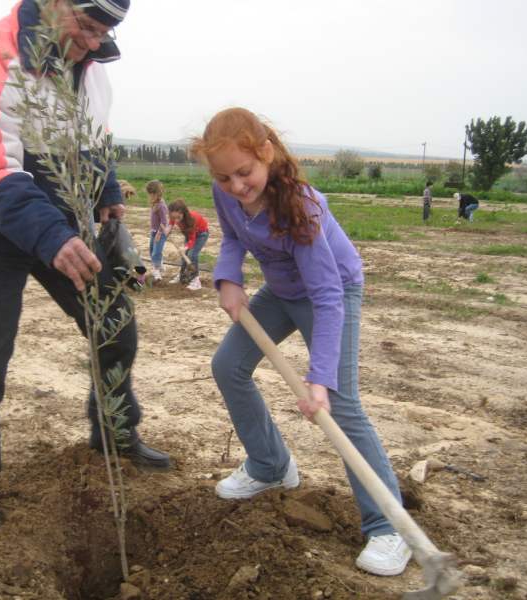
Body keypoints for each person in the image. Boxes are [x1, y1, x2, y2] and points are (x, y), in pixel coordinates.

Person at [0, 0, 171, 534]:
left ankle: (113, 432)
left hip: (63, 225)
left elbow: (96, 140)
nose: (94, 42)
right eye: (87, 26)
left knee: (115, 326)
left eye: (106, 31)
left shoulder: (90, 72)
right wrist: (51, 235)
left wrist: (107, 190)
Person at [190, 107, 412, 577]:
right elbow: (232, 236)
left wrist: (319, 380)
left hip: (330, 292)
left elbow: (328, 296)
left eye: (244, 173)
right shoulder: (227, 190)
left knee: (342, 403)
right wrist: (228, 277)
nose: (235, 186)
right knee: (227, 365)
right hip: (281, 291)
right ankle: (270, 465)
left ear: (266, 152)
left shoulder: (301, 207)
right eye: (224, 177)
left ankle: (390, 527)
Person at [167, 199, 209, 290]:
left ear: (183, 213)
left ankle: (196, 280)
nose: (176, 220)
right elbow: (171, 222)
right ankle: (182, 276)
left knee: (192, 255)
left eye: (178, 218)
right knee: (184, 256)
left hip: (201, 234)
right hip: (189, 234)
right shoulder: (174, 216)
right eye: (174, 217)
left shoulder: (192, 219)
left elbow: (192, 240)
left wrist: (185, 247)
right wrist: (168, 229)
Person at [146, 180, 170, 281]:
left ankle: (157, 272)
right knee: (152, 250)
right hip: (154, 231)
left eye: (151, 194)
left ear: (156, 193)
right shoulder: (155, 203)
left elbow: (164, 222)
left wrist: (159, 233)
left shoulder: (161, 206)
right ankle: (159, 264)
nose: (149, 196)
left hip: (160, 232)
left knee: (156, 251)